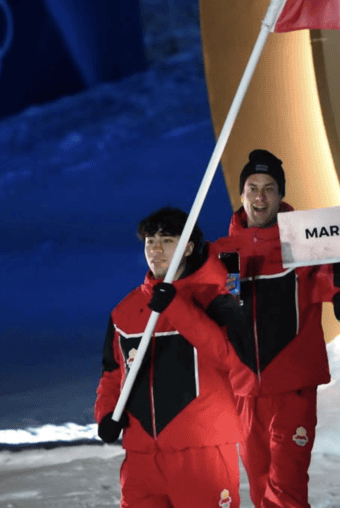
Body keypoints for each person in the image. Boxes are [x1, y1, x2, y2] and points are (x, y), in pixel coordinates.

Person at [211, 149, 340, 508]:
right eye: (253, 188)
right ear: (241, 194)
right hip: (243, 390)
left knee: (286, 488)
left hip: (292, 386)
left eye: (269, 188)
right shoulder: (221, 253)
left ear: (281, 194)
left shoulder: (305, 243)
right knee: (260, 488)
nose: (260, 197)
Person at [95, 206, 241, 508]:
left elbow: (231, 358)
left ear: (188, 247)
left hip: (202, 451)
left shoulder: (216, 297)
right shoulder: (123, 312)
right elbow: (113, 373)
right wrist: (106, 414)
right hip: (142, 458)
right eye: (150, 241)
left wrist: (176, 306)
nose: (156, 250)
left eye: (167, 241)